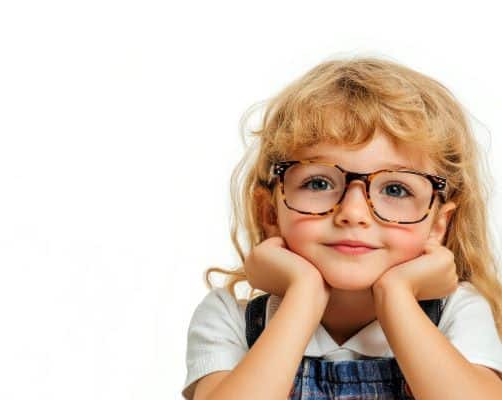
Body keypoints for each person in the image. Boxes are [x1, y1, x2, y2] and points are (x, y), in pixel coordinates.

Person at [181, 55, 502, 400]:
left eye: (395, 189)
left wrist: (396, 296)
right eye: (319, 183)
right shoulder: (230, 317)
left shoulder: (457, 313)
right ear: (270, 212)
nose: (353, 213)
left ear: (438, 224)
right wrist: (303, 293)